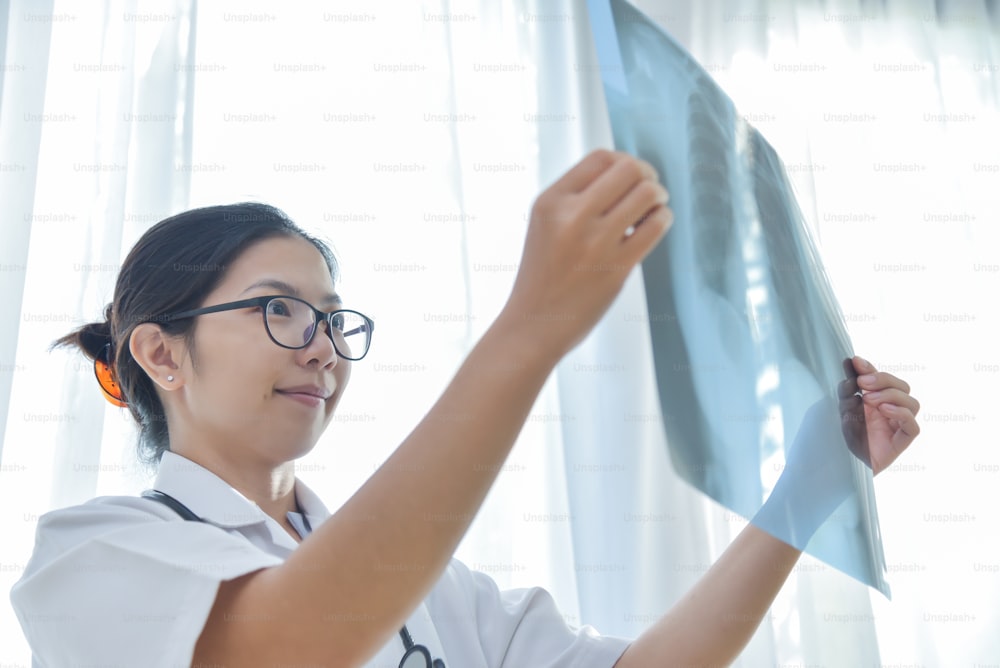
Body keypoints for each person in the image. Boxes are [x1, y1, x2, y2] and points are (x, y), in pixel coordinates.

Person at [9, 150, 921, 667]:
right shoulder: (91, 555)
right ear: (162, 353)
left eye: (333, 319)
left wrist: (805, 495)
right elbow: (288, 644)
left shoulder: (435, 592)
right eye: (279, 311)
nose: (323, 347)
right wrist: (529, 332)